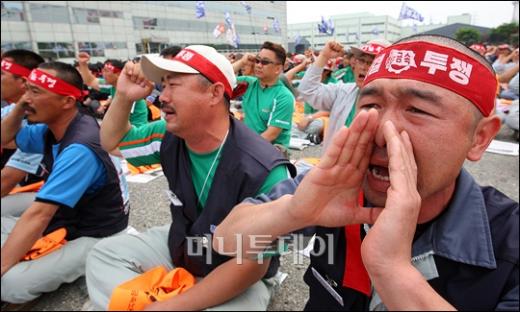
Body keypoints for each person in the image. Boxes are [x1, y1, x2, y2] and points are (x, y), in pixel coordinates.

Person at [214, 34, 519, 310]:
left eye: (418, 110)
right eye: (371, 105)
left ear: (479, 138)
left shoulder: (509, 241)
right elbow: (226, 241)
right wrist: (295, 212)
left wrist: (392, 271)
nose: (381, 132)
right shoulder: (335, 190)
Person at [86, 45, 296, 310]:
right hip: (185, 243)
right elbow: (111, 141)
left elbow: (252, 265)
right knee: (104, 255)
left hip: (237, 267)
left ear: (214, 92)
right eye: (163, 85)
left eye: (174, 85)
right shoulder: (169, 134)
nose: (163, 96)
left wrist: (167, 307)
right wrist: (124, 97)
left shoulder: (265, 168)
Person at [0, 62, 130, 304]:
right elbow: (5, 138)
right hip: (69, 217)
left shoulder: (80, 147)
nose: (27, 99)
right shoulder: (54, 128)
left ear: (67, 102)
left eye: (36, 92)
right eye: (26, 89)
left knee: (9, 285)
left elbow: (39, 214)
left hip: (97, 235)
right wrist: (19, 108)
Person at [298, 39, 390, 150]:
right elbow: (308, 90)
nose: (363, 67)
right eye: (361, 60)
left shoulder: (393, 104)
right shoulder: (343, 91)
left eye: (372, 63)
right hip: (332, 164)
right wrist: (324, 56)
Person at [1, 49, 45, 200]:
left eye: (1, 74)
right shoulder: (15, 109)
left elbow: (4, 182)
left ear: (24, 82)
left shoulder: (42, 122)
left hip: (53, 199)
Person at [233, 42, 295, 148]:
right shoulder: (248, 83)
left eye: (265, 62)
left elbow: (271, 134)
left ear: (278, 69)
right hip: (248, 145)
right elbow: (219, 77)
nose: (258, 65)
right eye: (257, 60)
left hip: (271, 153)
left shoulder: (284, 96)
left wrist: (243, 149)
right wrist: (242, 62)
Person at [76, 52, 148, 126]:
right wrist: (83, 63)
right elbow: (91, 81)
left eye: (106, 71)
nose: (103, 74)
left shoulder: (128, 90)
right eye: (103, 71)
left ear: (118, 74)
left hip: (136, 130)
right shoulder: (112, 85)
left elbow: (121, 118)